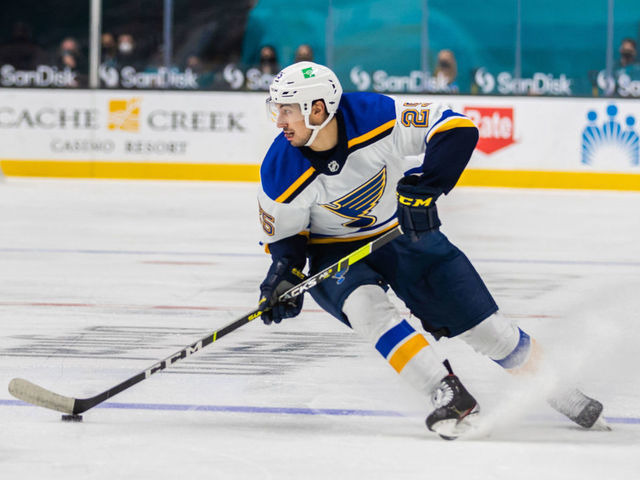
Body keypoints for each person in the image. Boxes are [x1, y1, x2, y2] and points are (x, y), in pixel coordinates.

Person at [256, 61, 608, 439]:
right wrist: (283, 277)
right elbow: (288, 243)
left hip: (400, 231)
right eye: (277, 109)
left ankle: (554, 385)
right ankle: (446, 391)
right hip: (332, 251)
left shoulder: (376, 115)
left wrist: (428, 185)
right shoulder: (280, 169)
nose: (279, 121)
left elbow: (455, 127)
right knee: (367, 310)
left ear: (318, 109)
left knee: (487, 331)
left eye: (287, 110)